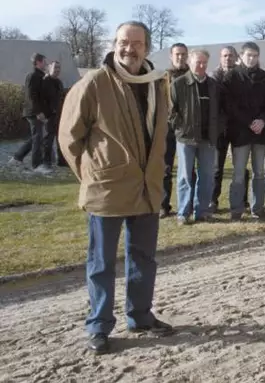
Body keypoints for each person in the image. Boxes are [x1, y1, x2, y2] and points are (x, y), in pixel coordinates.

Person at [58, 20, 174, 355]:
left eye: (137, 43)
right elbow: (69, 137)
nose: (129, 49)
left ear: (146, 48)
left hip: (146, 188)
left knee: (144, 259)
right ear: (114, 43)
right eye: (124, 42)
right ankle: (99, 326)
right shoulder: (94, 82)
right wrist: (91, 175)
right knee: (101, 263)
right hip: (106, 191)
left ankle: (140, 316)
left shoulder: (156, 83)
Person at [223, 42, 265, 219]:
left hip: (261, 133)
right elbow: (230, 105)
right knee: (238, 172)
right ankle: (236, 209)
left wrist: (263, 120)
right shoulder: (232, 76)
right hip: (240, 132)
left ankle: (257, 208)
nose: (252, 59)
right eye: (248, 55)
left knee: (259, 171)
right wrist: (248, 122)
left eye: (255, 55)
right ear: (241, 56)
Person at [170, 49, 222, 224]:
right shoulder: (179, 84)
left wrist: (218, 128)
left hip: (208, 139)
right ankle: (183, 213)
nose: (201, 66)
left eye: (204, 63)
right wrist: (181, 128)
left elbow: (221, 111)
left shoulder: (214, 85)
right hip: (187, 138)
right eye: (198, 62)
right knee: (185, 176)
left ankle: (202, 211)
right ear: (189, 63)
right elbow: (171, 111)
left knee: (206, 176)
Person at [161, 43, 194, 218]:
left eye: (183, 54)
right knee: (165, 168)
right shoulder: (164, 77)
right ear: (171, 56)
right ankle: (163, 205)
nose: (180, 57)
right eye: (177, 54)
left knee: (189, 169)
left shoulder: (193, 75)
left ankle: (189, 204)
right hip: (167, 128)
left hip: (188, 128)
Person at [10, 52, 51, 174]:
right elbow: (31, 96)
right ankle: (36, 165)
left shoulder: (40, 76)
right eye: (44, 61)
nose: (46, 64)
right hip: (33, 112)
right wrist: (38, 112)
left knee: (35, 137)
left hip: (35, 111)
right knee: (37, 137)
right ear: (38, 62)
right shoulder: (33, 76)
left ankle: (17, 157)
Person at [210, 46, 239, 211]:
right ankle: (213, 200)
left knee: (240, 167)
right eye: (225, 56)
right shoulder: (214, 78)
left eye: (230, 56)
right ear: (220, 58)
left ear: (236, 57)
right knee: (216, 167)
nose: (228, 58)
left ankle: (240, 200)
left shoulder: (241, 76)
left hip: (238, 127)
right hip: (220, 128)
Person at [42, 61, 65, 168]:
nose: (57, 70)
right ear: (50, 68)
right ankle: (46, 162)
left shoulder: (59, 82)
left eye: (59, 68)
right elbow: (40, 99)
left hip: (60, 116)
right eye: (55, 67)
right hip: (49, 116)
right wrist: (46, 113)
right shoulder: (45, 81)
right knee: (48, 140)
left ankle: (62, 161)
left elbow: (61, 98)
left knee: (60, 139)